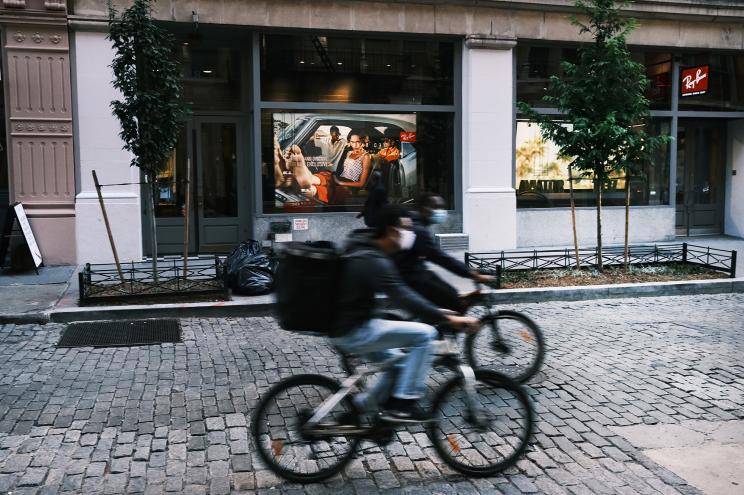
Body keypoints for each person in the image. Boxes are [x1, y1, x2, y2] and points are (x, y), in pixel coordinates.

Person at [333, 205, 479, 421]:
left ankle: (361, 409)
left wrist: (438, 311)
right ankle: (404, 404)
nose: (411, 235)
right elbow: (404, 297)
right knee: (425, 335)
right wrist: (447, 318)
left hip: (349, 325)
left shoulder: (364, 247)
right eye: (406, 229)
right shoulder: (373, 260)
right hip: (355, 329)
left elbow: (404, 295)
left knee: (399, 365)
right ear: (392, 231)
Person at [394, 193, 494, 314]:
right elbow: (439, 257)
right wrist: (471, 273)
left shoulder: (417, 224)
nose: (440, 211)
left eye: (442, 207)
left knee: (451, 293)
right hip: (411, 277)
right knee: (454, 301)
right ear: (424, 209)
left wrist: (469, 272)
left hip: (414, 272)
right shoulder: (419, 230)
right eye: (436, 207)